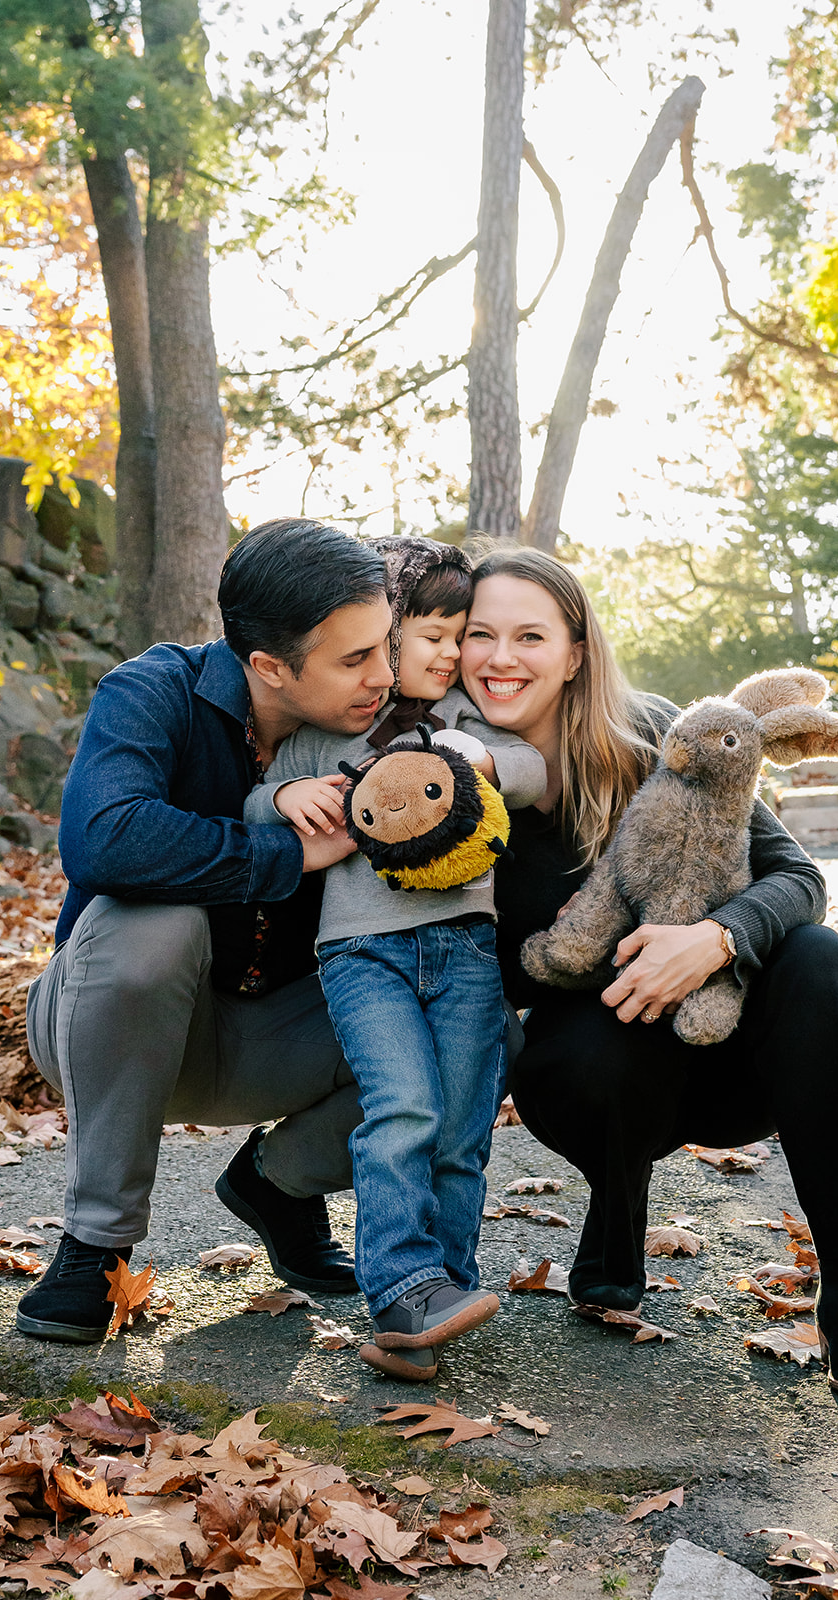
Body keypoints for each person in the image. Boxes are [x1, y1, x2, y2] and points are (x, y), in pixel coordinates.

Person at [460, 546, 838, 1400]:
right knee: (595, 1049)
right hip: (589, 1067)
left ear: (576, 650)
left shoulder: (659, 734)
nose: (501, 658)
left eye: (529, 634)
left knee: (825, 962)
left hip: (730, 1047)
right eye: (481, 634)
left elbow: (800, 879)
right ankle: (617, 1203)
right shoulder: (446, 773)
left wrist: (715, 938)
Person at [16, 518, 397, 1344]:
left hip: (275, 1038)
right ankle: (95, 1245)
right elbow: (102, 837)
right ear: (268, 666)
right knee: (152, 919)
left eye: (386, 646)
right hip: (109, 1018)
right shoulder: (152, 690)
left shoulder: (385, 727)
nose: (385, 675)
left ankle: (279, 1184)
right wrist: (283, 852)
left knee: (468, 1024)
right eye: (355, 658)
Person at [245, 536, 546, 1381]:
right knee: (403, 1109)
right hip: (362, 955)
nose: (452, 655)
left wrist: (478, 757)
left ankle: (435, 1299)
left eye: (461, 638)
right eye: (435, 636)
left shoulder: (462, 725)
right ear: (387, 636)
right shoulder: (322, 735)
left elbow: (529, 766)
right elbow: (255, 802)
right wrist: (282, 797)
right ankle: (402, 1285)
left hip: (465, 951)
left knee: (459, 1128)